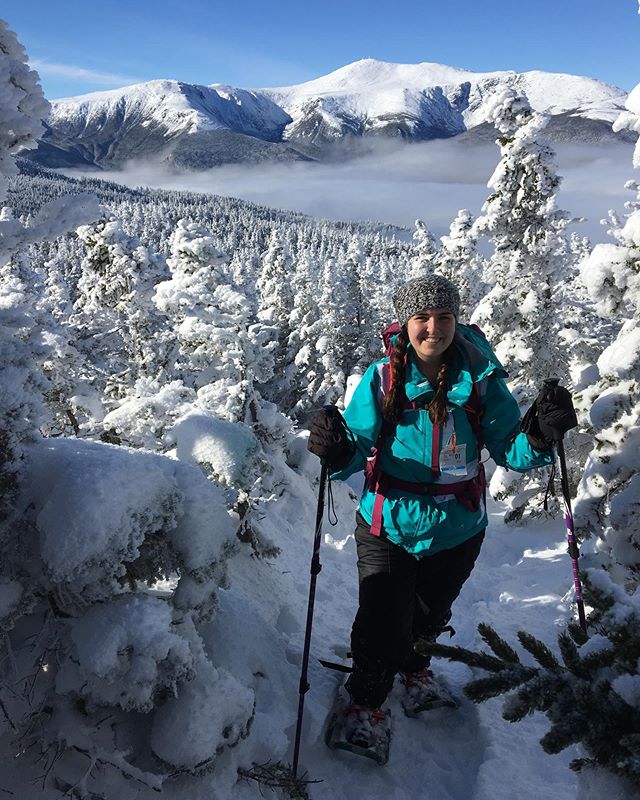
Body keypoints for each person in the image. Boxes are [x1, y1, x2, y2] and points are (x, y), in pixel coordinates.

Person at [307, 274, 577, 749]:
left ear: (456, 319)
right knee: (382, 616)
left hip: (458, 527)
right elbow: (357, 449)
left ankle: (415, 669)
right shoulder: (384, 377)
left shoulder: (481, 377)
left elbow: (510, 449)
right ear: (405, 323)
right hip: (388, 522)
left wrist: (539, 435)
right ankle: (367, 700)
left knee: (429, 614)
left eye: (444, 316)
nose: (434, 327)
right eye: (422, 317)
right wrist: (334, 451)